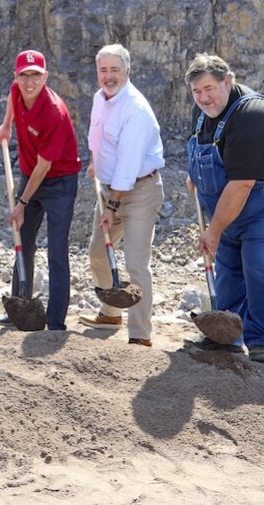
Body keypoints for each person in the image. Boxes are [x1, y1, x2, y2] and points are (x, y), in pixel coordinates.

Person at [186, 54, 264, 362]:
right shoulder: (202, 112)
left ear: (227, 81)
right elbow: (205, 150)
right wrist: (194, 174)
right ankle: (226, 334)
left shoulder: (252, 117)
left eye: (209, 88)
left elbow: (241, 184)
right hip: (234, 196)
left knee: (263, 265)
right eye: (196, 91)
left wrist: (214, 230)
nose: (203, 97)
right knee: (229, 264)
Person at [77, 44, 165, 346]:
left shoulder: (135, 109)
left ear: (127, 70)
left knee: (136, 264)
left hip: (140, 191)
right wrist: (95, 162)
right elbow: (96, 137)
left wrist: (111, 207)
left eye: (115, 69)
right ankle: (111, 313)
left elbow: (127, 167)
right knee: (98, 253)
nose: (109, 76)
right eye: (103, 70)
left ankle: (140, 335)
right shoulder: (99, 99)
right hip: (108, 188)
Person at [0, 50, 81, 330]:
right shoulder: (17, 90)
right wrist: (6, 125)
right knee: (23, 239)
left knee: (57, 249)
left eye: (35, 75)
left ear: (45, 77)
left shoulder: (53, 111)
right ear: (16, 76)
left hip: (59, 182)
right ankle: (18, 307)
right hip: (30, 174)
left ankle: (55, 322)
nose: (29, 82)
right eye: (24, 75)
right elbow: (12, 96)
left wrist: (21, 203)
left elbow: (44, 167)